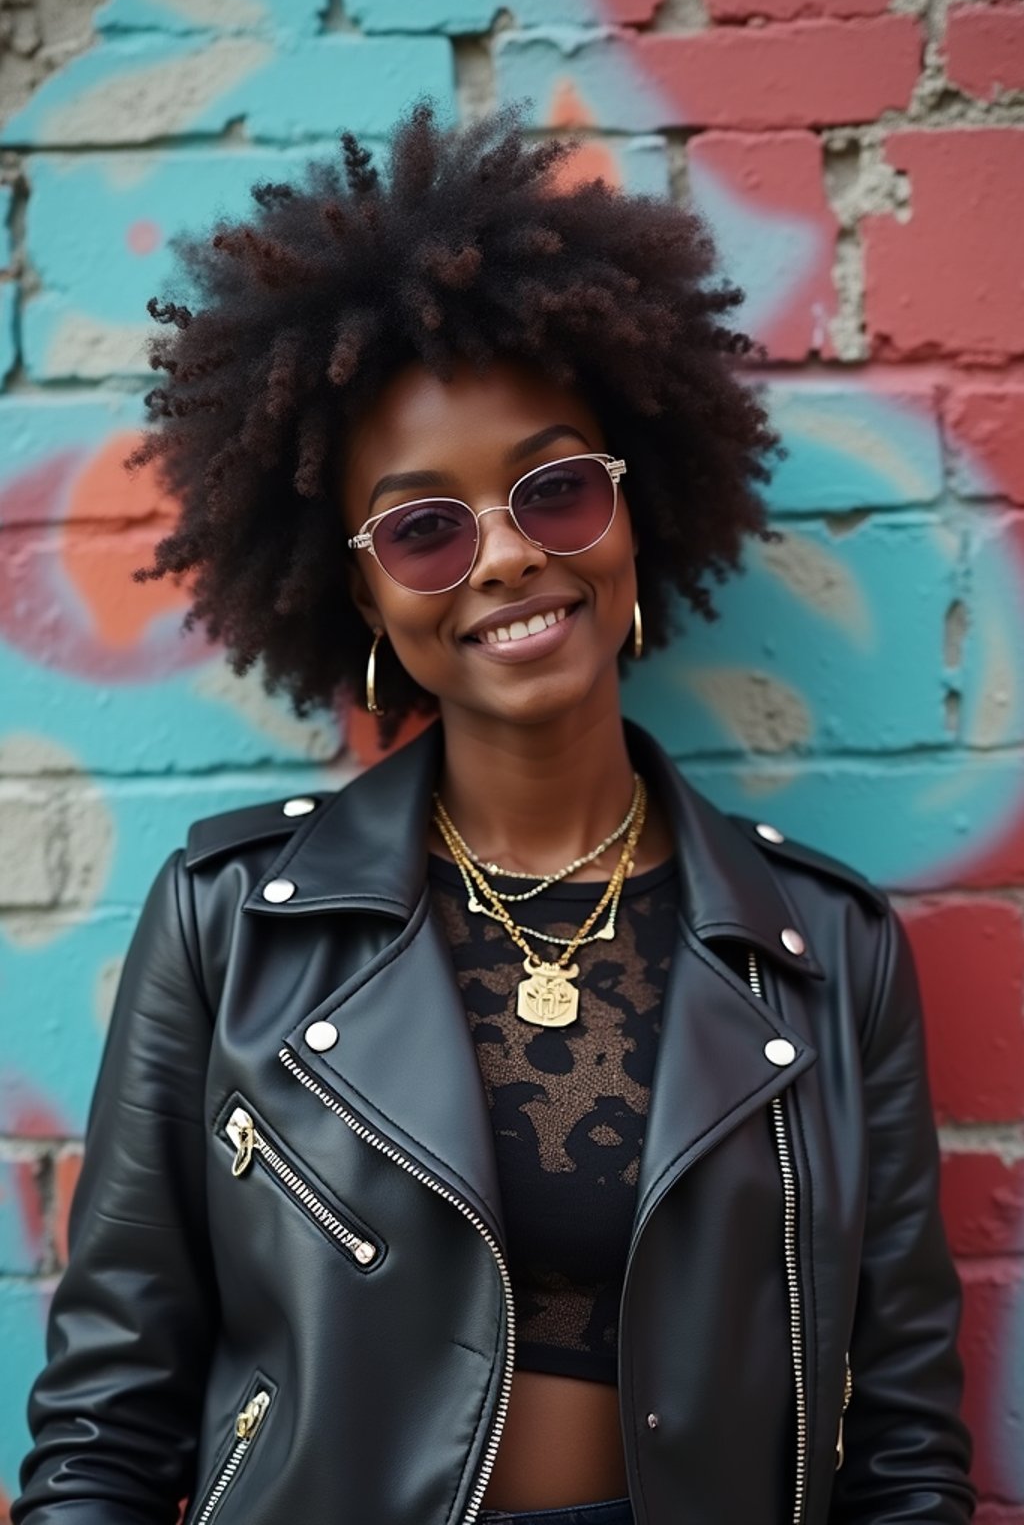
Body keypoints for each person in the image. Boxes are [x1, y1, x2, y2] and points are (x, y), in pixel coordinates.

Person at [13, 103, 974, 1525]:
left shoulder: (826, 954)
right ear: (362, 593)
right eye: (424, 526)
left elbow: (902, 1447)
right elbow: (107, 1425)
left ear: (634, 508)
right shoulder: (231, 931)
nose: (509, 556)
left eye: (556, 489)